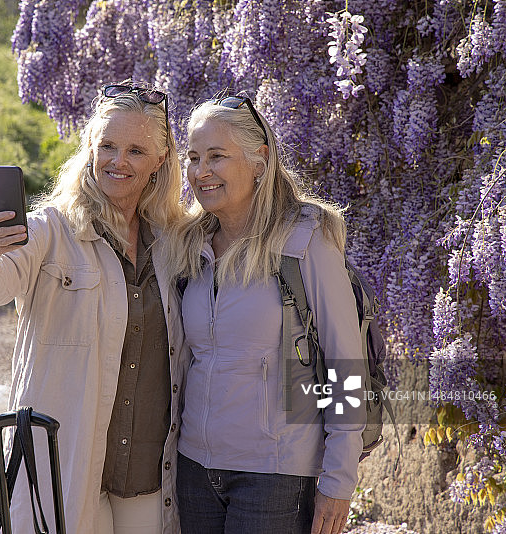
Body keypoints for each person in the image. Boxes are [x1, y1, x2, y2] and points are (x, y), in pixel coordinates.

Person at [0, 83, 190, 534]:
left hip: (147, 476)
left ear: (160, 161)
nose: (118, 162)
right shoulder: (51, 230)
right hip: (65, 471)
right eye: (107, 146)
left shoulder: (174, 243)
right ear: (89, 146)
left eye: (136, 151)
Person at [167, 94, 367, 534]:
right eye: (194, 157)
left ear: (260, 160)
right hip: (195, 468)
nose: (201, 172)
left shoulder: (306, 239)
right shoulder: (188, 245)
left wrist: (339, 480)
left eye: (217, 156)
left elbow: (346, 367)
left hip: (275, 473)